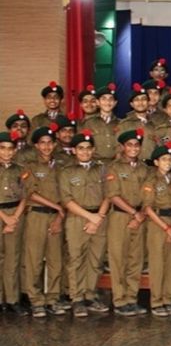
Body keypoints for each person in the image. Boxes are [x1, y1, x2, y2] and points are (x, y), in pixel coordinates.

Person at [58, 129, 111, 317]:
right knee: (76, 259)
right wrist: (90, 218)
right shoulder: (66, 171)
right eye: (80, 149)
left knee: (95, 260)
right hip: (77, 218)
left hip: (100, 217)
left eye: (88, 148)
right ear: (74, 151)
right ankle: (77, 298)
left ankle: (90, 294)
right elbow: (66, 200)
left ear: (93, 149)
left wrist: (98, 217)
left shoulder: (102, 169)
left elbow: (108, 194)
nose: (85, 152)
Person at [23, 124, 67, 317]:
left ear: (55, 145)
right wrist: (56, 207)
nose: (47, 147)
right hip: (37, 216)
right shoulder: (30, 167)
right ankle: (36, 299)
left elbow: (67, 195)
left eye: (50, 143)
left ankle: (52, 298)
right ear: (36, 146)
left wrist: (59, 214)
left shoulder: (62, 167)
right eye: (43, 143)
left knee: (55, 260)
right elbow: (30, 193)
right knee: (34, 259)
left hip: (57, 217)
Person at [105, 128, 149, 316]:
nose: (133, 148)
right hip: (120, 217)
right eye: (129, 145)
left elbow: (149, 194)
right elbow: (113, 195)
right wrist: (133, 213)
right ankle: (120, 300)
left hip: (140, 217)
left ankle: (132, 298)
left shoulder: (145, 169)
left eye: (136, 145)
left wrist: (140, 216)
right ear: (122, 147)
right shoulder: (114, 168)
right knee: (118, 259)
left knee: (135, 260)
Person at [142, 142, 171, 318]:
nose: (167, 162)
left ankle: (168, 299)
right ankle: (156, 301)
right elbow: (148, 208)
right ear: (156, 162)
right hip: (158, 223)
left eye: (170, 159)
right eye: (164, 159)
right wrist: (166, 227)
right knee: (157, 264)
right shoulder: (151, 180)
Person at [0, 130, 28, 315]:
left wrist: (14, 218)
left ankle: (12, 299)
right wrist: (5, 218)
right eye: (3, 148)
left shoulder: (20, 169)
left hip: (15, 213)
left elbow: (25, 196)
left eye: (11, 148)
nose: (7, 152)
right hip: (1, 213)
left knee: (13, 258)